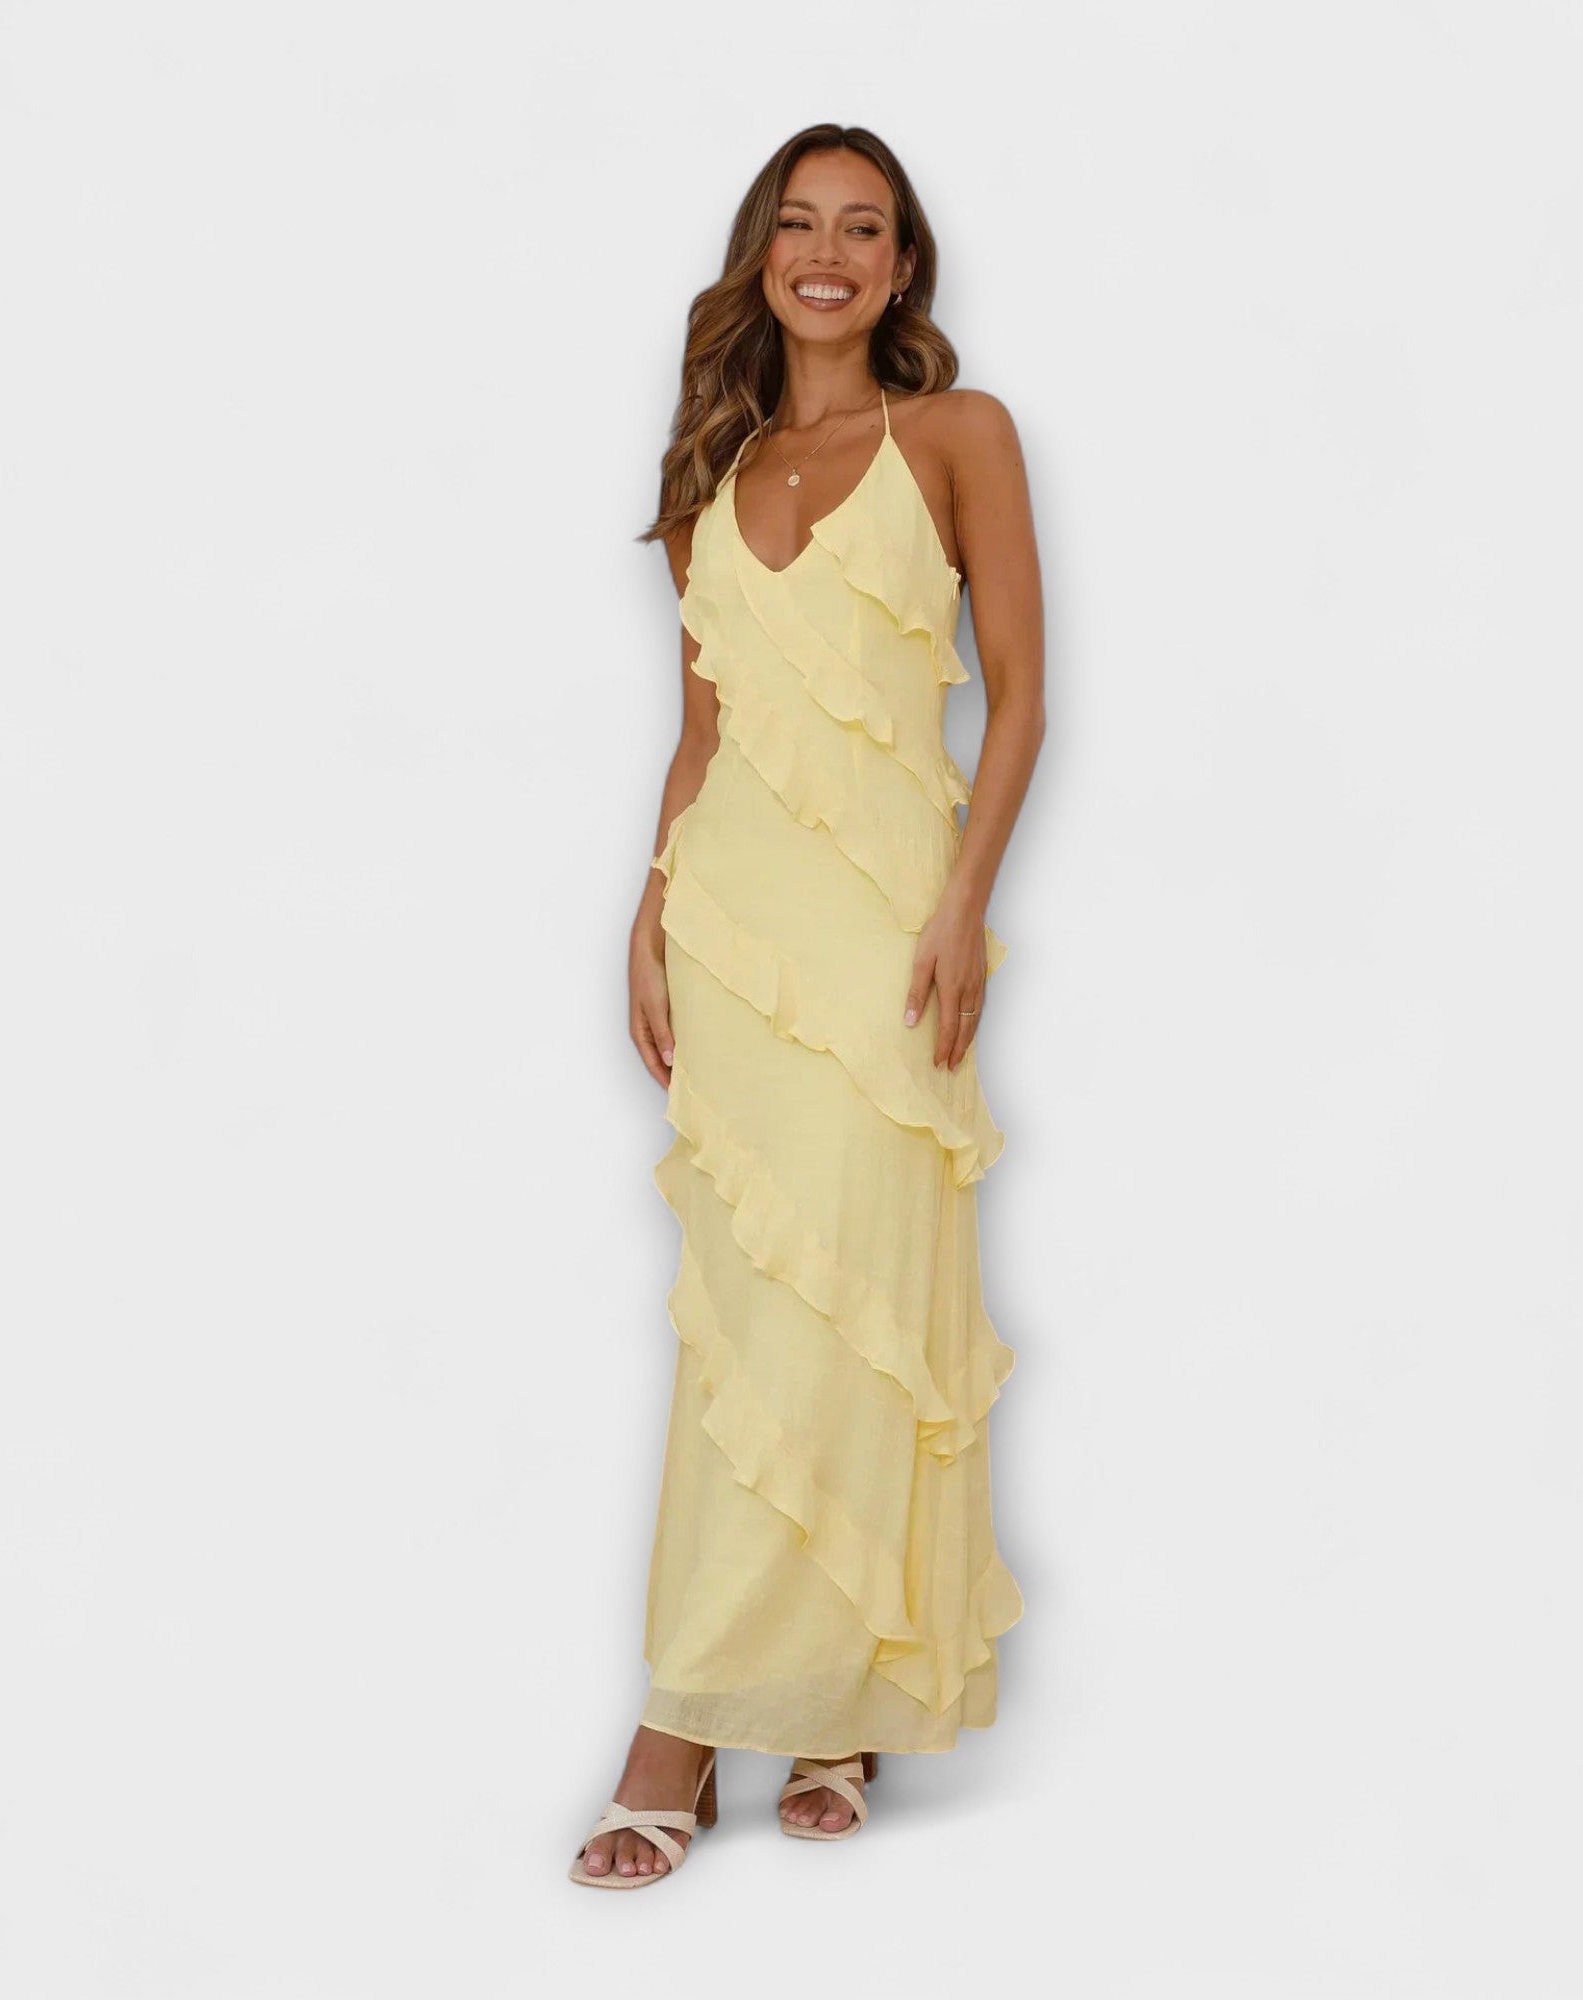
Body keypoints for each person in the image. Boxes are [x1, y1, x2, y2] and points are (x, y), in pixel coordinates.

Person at [568, 122, 1045, 1888]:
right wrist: (649, 908)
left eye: (862, 227)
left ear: (902, 265)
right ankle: (742, 1712)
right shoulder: (710, 468)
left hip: (886, 930)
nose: (827, 253)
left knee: (856, 1311)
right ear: (760, 255)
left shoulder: (960, 434)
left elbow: (1022, 697)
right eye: (798, 224)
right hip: (734, 928)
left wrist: (965, 907)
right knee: (746, 1323)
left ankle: (755, 1715)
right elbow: (702, 734)